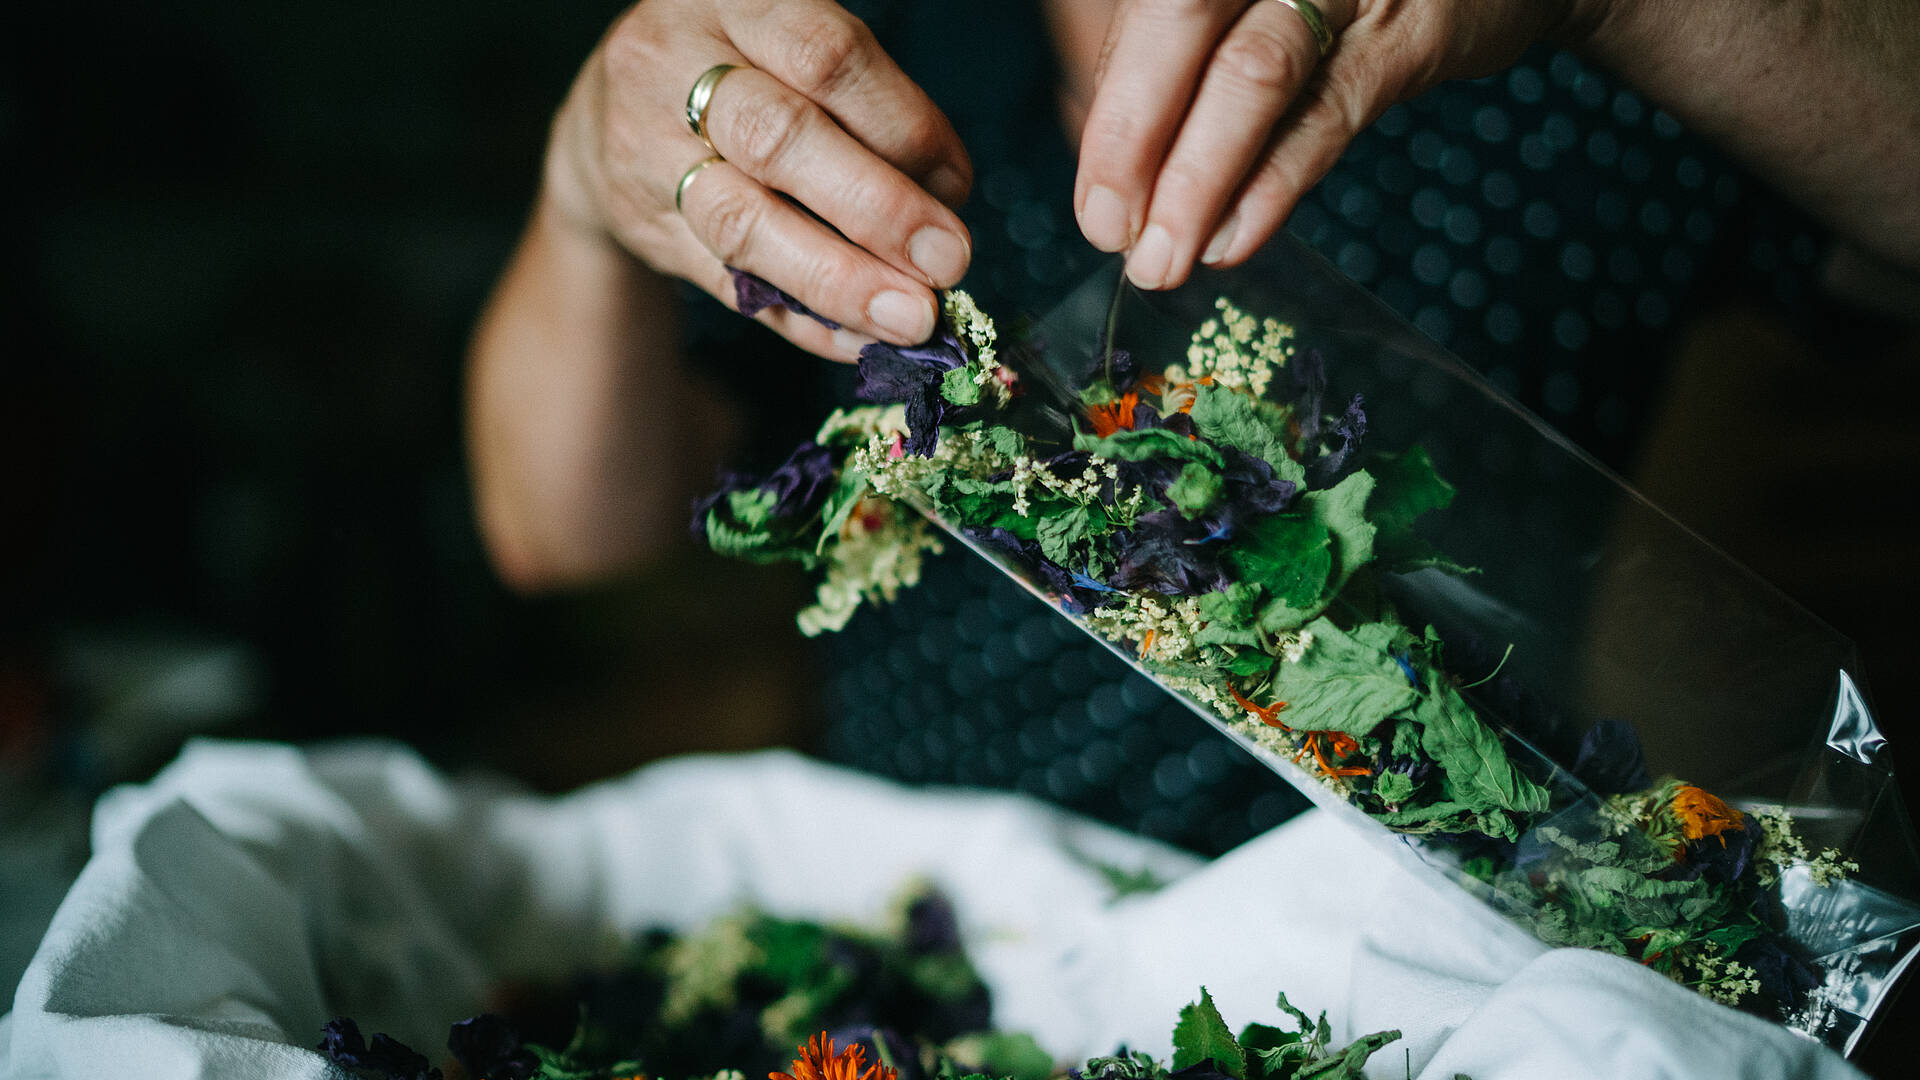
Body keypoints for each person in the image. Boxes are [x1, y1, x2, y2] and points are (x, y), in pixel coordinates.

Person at [466, 0, 1920, 853]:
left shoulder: (1531, 68)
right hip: (964, 928)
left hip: (1451, 950)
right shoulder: (859, 49)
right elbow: (557, 531)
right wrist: (585, 204)